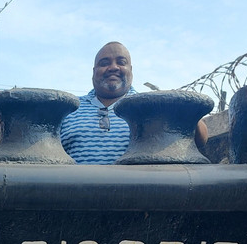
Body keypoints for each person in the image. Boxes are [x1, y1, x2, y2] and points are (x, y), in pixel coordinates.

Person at [60, 41, 208, 164]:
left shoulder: (151, 107)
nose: (113, 67)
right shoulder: (68, 109)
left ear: (130, 70)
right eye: (104, 63)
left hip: (137, 197)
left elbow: (199, 140)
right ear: (94, 71)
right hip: (76, 197)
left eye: (121, 62)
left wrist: (182, 108)